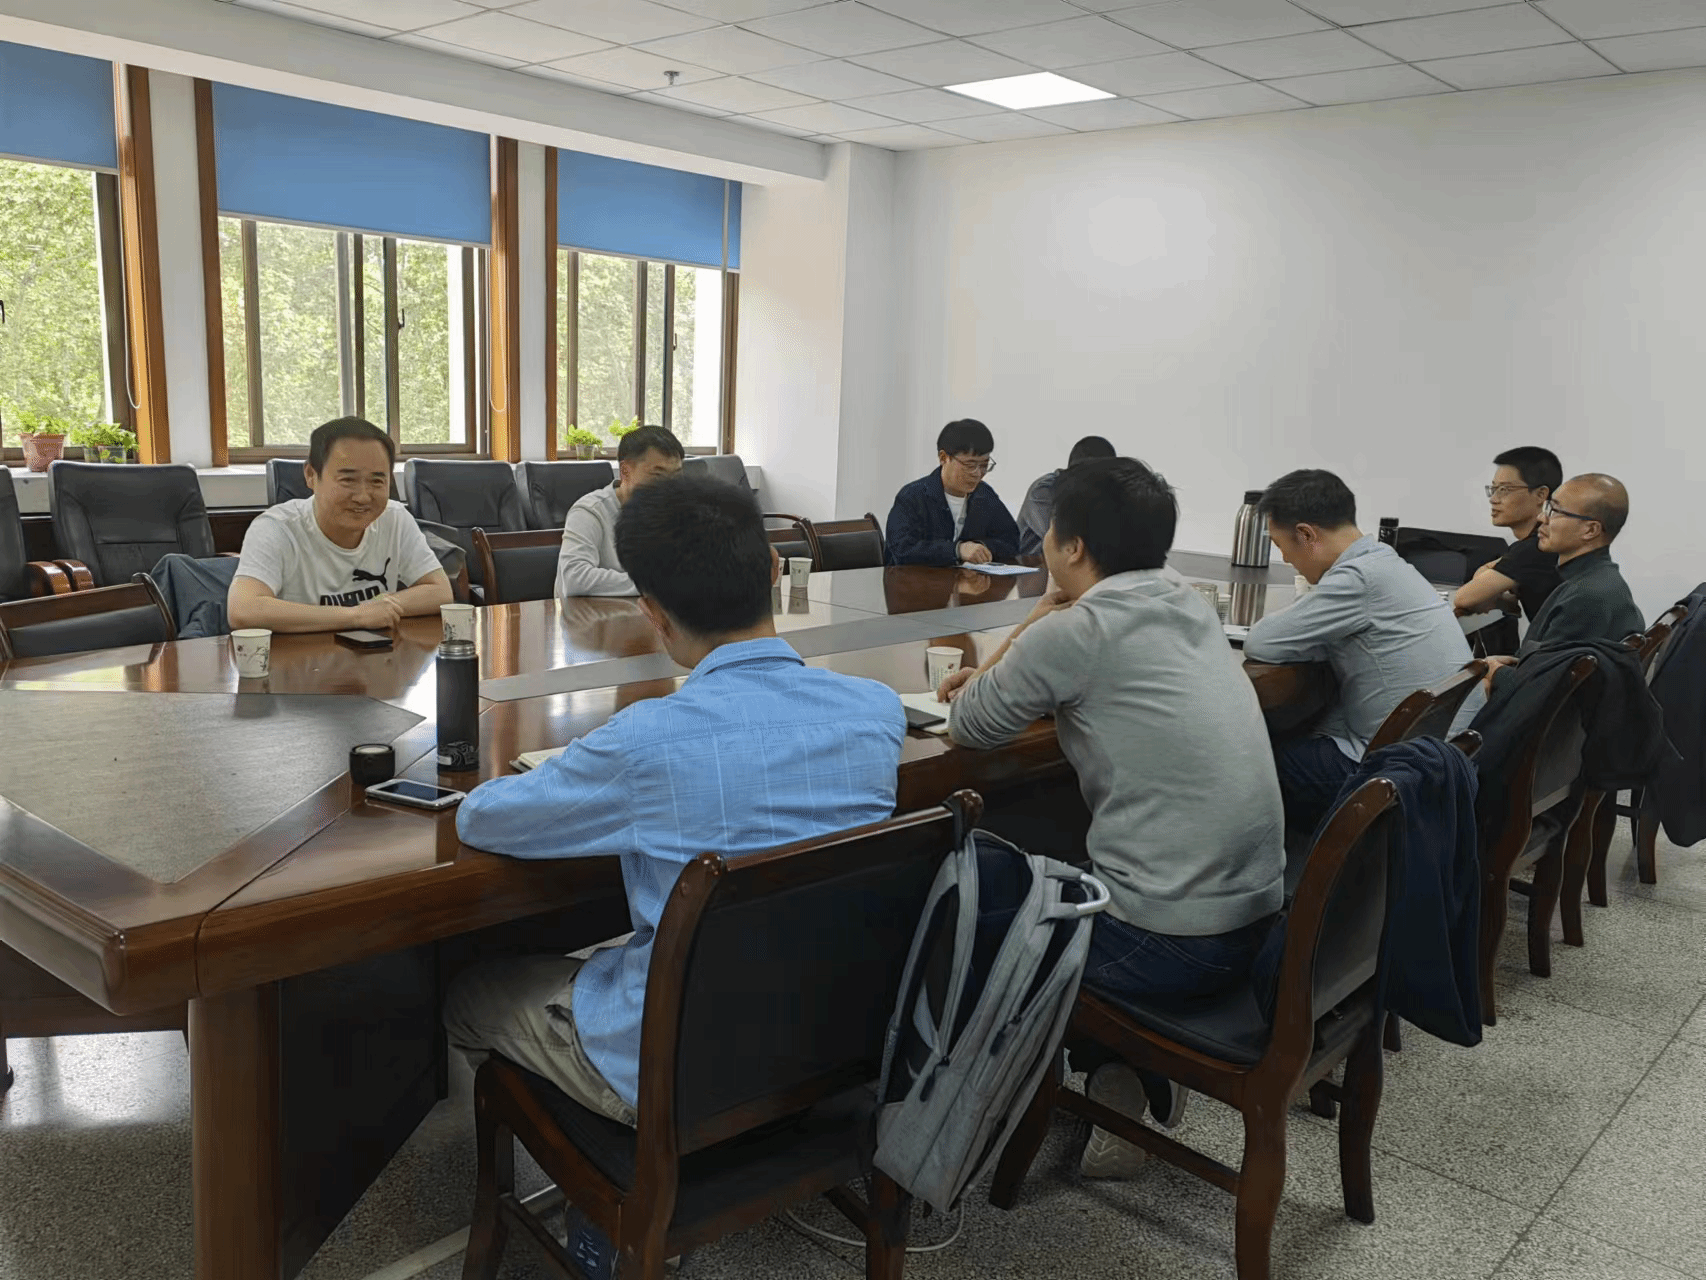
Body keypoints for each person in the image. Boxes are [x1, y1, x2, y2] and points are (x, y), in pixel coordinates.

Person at [444, 475, 906, 1127]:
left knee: (470, 992)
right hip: (831, 1037)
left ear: (652, 612)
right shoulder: (876, 713)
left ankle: (590, 1169)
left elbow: (481, 819)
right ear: (775, 570)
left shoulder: (643, 742)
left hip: (677, 1069)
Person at [938, 457, 1284, 1179]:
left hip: (1166, 943)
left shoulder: (1080, 631)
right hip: (1257, 922)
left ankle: (956, 1122)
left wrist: (1039, 615)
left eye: (1049, 531)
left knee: (964, 891)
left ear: (1071, 546)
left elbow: (969, 723)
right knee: (1059, 857)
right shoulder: (1186, 599)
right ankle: (1121, 1076)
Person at [1243, 469, 1476, 833]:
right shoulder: (1384, 561)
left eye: (1280, 545)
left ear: (1306, 535)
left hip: (1391, 771)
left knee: (1242, 758)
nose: (1286, 559)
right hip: (1443, 757)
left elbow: (1262, 641)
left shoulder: (1358, 579)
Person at [228, 416, 452, 632]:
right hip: (300, 655)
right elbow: (243, 610)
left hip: (376, 654)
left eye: (377, 481)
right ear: (311, 475)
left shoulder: (394, 518)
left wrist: (383, 607)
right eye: (348, 480)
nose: (363, 497)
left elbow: (440, 591)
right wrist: (356, 616)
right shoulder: (276, 527)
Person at [1482, 473, 1644, 686]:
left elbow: (1542, 688)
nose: (1541, 518)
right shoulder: (1596, 579)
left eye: (1555, 511)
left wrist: (1495, 672)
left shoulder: (1586, 597)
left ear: (1590, 530)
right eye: (1547, 507)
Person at [555, 424, 684, 599]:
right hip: (590, 615)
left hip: (648, 612)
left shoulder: (676, 511)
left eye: (676, 476)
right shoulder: (590, 511)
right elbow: (574, 578)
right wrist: (654, 585)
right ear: (625, 471)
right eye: (658, 476)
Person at [885, 419, 1021, 566]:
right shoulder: (912, 496)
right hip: (915, 579)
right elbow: (902, 549)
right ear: (943, 458)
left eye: (984, 465)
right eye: (969, 465)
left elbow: (1011, 541)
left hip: (967, 579)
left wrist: (980, 548)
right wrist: (957, 550)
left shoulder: (984, 494)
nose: (977, 473)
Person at [1453, 446, 1563, 622]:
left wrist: (1491, 584)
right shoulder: (1539, 542)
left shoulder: (1537, 547)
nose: (1493, 499)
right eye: (1494, 489)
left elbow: (1463, 599)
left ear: (1541, 494)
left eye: (1504, 489)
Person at [1015, 435, 1116, 556]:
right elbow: (1064, 540)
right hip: (1029, 563)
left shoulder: (1097, 494)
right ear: (1075, 470)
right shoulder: (1043, 490)